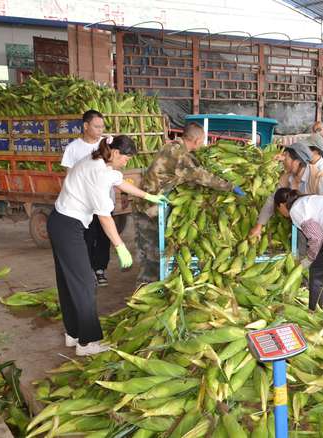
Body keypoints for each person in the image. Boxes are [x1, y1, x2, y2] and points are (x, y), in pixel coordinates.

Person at [48, 136, 167, 356]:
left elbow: (119, 181)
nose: (126, 163)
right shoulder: (99, 173)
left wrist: (147, 195)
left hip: (60, 221)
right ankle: (87, 343)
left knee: (68, 281)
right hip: (68, 226)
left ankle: (73, 334)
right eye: (126, 158)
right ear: (115, 153)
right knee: (85, 284)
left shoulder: (97, 161)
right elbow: (104, 217)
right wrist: (120, 246)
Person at [132, 122, 245, 284]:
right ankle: (145, 289)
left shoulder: (172, 146)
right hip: (149, 209)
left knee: (150, 250)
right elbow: (201, 176)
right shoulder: (180, 155)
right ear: (197, 140)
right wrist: (231, 186)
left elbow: (182, 175)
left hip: (146, 204)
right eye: (203, 140)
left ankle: (150, 283)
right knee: (152, 253)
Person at [61, 110, 112, 287]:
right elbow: (68, 177)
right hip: (84, 205)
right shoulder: (73, 148)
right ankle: (88, 270)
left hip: (104, 199)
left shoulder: (106, 145)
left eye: (102, 127)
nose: (100, 130)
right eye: (97, 126)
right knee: (87, 238)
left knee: (104, 236)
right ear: (85, 126)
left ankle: (100, 269)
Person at [249, 142, 323, 240]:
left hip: (319, 232)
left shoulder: (319, 179)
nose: (283, 160)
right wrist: (259, 225)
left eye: (286, 157)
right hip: (301, 228)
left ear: (296, 162)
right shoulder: (288, 177)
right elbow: (272, 199)